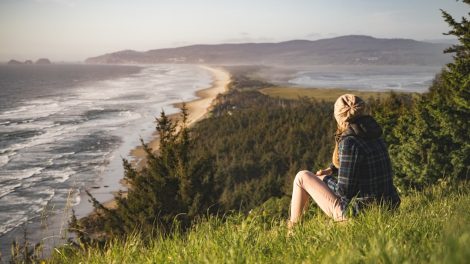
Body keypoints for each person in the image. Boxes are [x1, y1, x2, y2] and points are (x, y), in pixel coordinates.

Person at [288, 94, 401, 229]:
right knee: (316, 178)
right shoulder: (374, 134)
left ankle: (292, 231)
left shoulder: (350, 142)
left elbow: (344, 192)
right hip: (389, 208)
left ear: (339, 118)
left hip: (361, 214)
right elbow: (359, 162)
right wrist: (331, 169)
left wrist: (325, 179)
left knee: (302, 177)